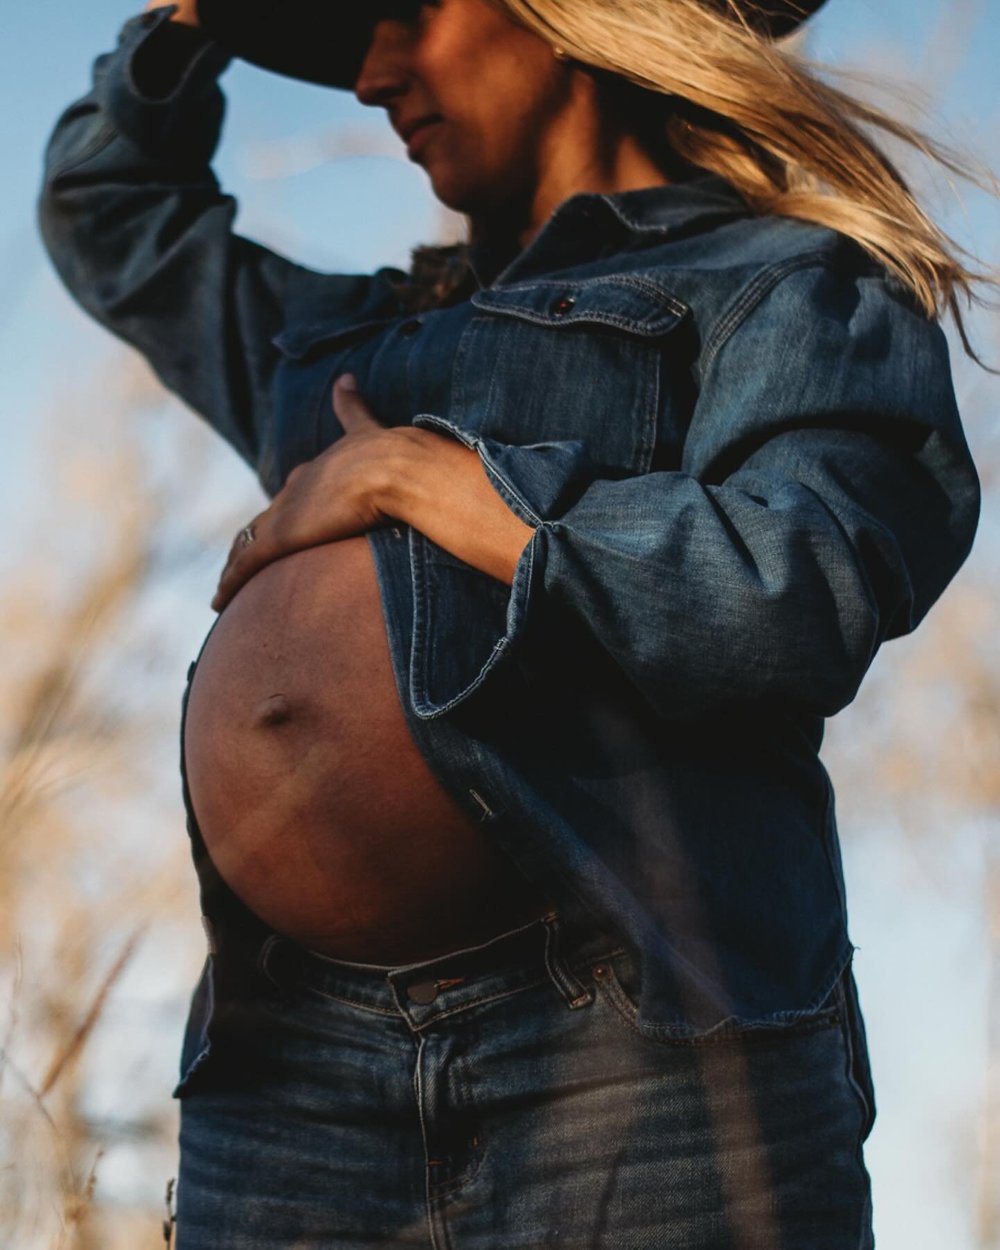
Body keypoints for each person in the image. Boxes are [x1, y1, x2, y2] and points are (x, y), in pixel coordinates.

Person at [38, 0, 983, 1245]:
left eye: (401, 14)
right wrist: (189, 29)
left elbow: (800, 591)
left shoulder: (779, 280)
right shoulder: (342, 341)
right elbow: (111, 216)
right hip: (293, 1077)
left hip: (637, 1055)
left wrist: (445, 487)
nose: (371, 77)